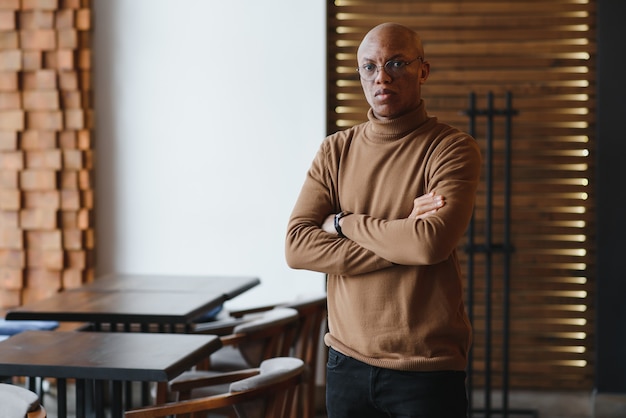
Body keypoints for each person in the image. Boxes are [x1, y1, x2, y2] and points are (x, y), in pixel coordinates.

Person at [285, 22, 481, 418]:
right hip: (345, 362)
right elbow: (297, 246)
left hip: (426, 369)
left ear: (423, 71)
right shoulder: (335, 151)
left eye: (396, 63)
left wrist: (343, 223)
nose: (382, 77)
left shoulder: (451, 148)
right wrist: (401, 233)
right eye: (369, 67)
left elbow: (428, 244)